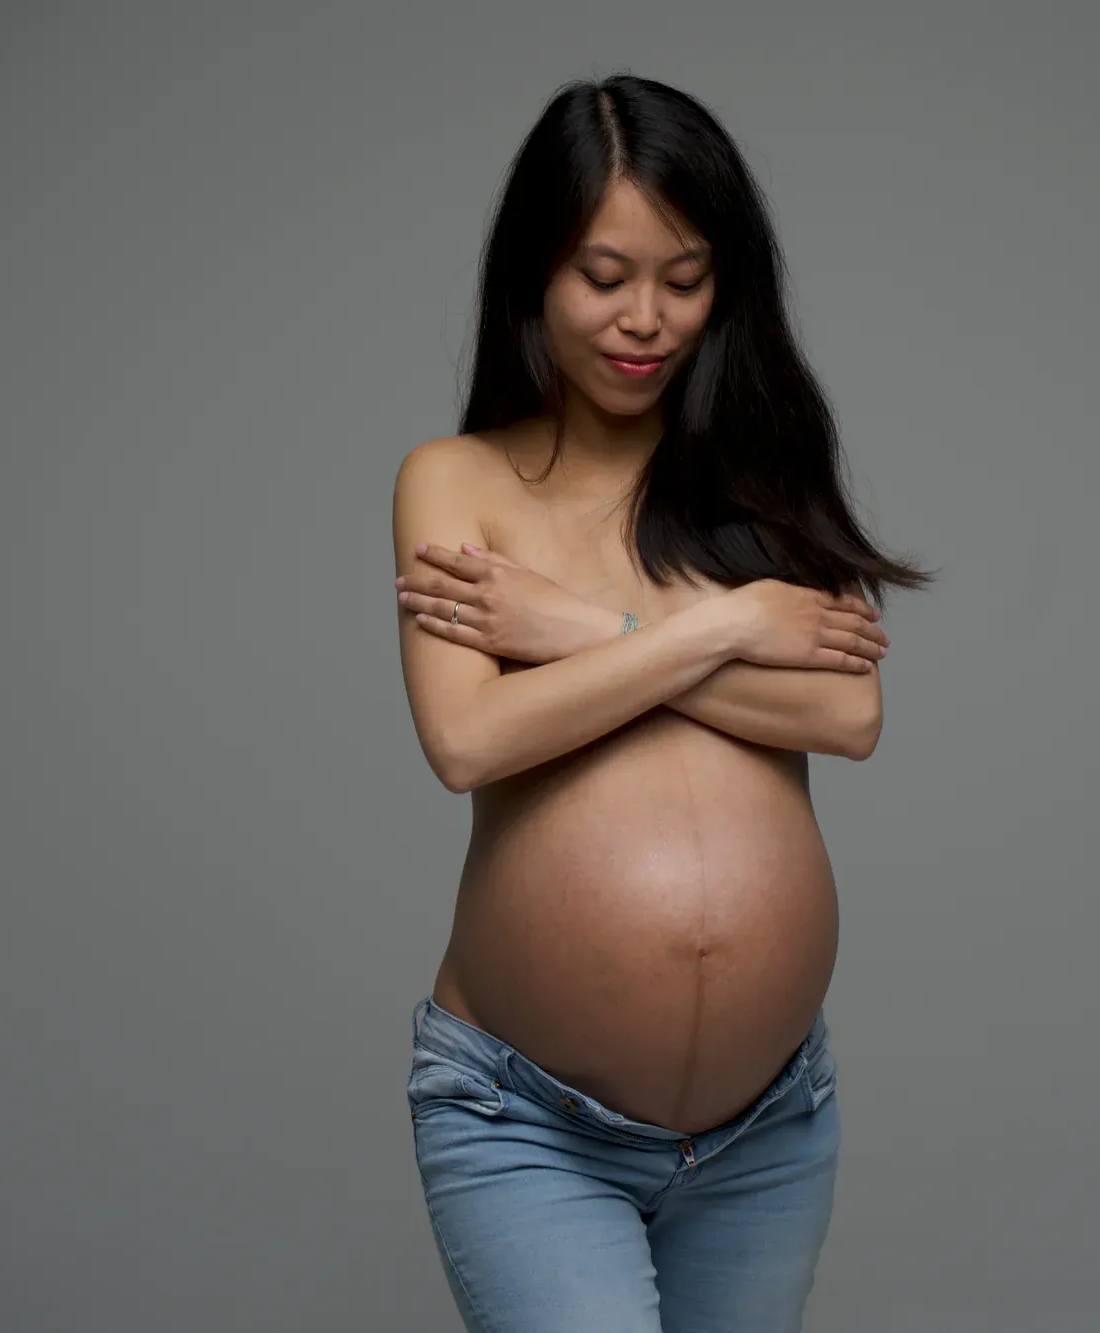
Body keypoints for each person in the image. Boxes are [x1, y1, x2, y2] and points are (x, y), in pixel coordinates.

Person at [391, 72, 929, 1332]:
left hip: (767, 1130)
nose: (644, 319)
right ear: (535, 272)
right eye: (603, 275)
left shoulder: (760, 474)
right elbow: (468, 739)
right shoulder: (456, 481)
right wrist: (735, 629)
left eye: (682, 280)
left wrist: (584, 629)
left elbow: (847, 718)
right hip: (525, 1119)